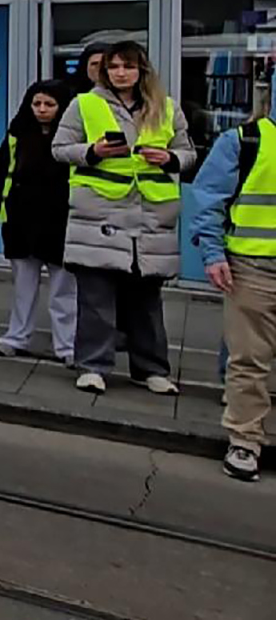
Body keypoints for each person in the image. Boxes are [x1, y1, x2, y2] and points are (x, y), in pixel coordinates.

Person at [51, 41, 194, 395]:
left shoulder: (166, 107)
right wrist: (93, 151)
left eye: (127, 66)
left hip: (149, 217)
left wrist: (169, 159)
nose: (120, 73)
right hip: (99, 213)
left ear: (141, 70)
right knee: (96, 299)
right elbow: (59, 149)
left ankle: (151, 369)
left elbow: (188, 153)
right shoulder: (84, 104)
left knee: (146, 302)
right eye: (113, 67)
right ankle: (93, 366)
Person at [191, 109, 276, 482]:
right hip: (253, 267)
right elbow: (209, 199)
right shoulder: (244, 141)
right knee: (248, 358)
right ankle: (245, 440)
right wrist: (212, 253)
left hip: (253, 267)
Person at [0, 81, 77, 365]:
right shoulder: (19, 132)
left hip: (61, 220)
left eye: (49, 105)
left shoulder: (74, 136)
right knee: (22, 287)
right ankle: (16, 337)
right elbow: (2, 169)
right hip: (22, 220)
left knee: (64, 291)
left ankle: (66, 345)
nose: (42, 110)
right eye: (37, 104)